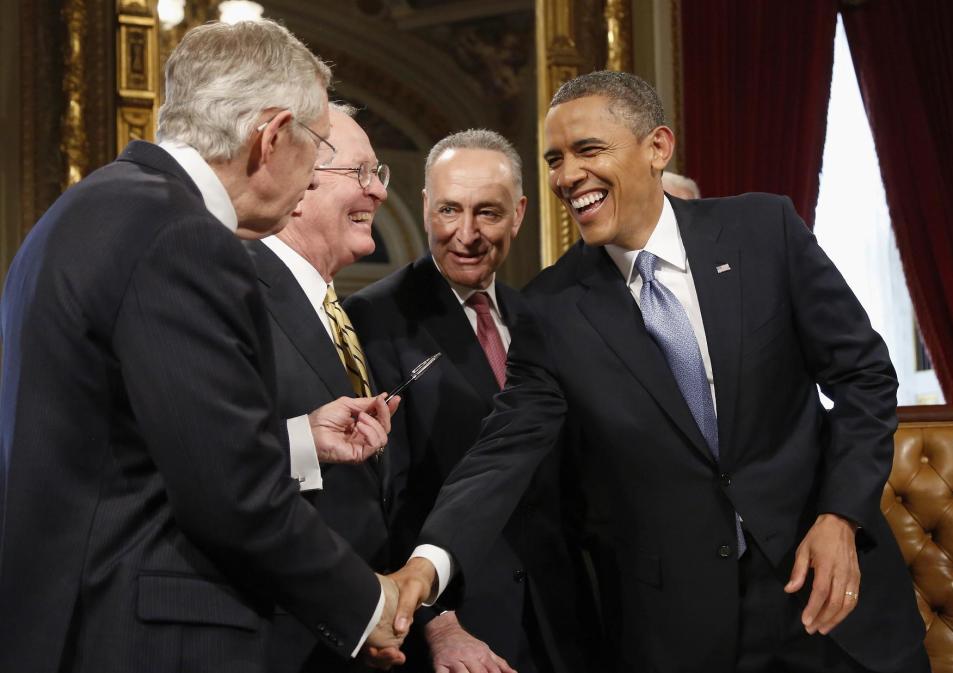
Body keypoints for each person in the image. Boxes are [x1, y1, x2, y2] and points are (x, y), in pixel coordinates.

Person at [390, 71, 929, 672]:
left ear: (657, 147)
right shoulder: (550, 308)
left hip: (835, 598)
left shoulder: (762, 231)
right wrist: (428, 561)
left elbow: (865, 377)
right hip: (684, 634)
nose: (567, 176)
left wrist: (841, 515)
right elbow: (504, 450)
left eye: (588, 150)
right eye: (555, 159)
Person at [0, 20, 406, 673]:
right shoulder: (180, 234)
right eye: (318, 143)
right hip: (146, 638)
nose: (312, 173)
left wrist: (296, 435)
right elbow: (231, 494)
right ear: (272, 136)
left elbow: (137, 447)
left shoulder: (88, 207)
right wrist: (368, 603)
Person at [346, 129, 591, 673]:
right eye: (450, 210)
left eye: (488, 213)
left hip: (559, 621)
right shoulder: (370, 322)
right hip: (454, 630)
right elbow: (379, 498)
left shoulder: (542, 318)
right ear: (427, 206)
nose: (467, 234)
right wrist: (440, 624)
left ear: (520, 213)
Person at [245, 103, 395, 673]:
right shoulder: (236, 287)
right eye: (360, 173)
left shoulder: (343, 312)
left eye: (379, 174)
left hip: (353, 641)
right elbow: (210, 462)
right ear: (299, 185)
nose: (377, 192)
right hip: (278, 640)